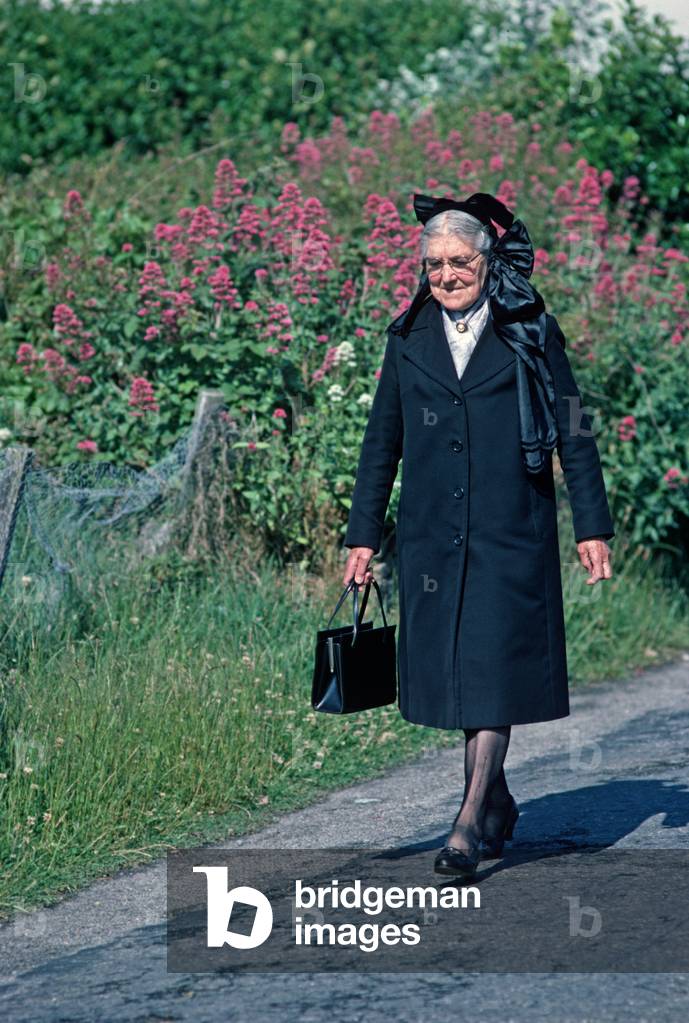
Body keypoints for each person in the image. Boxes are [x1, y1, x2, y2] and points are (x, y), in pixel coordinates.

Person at [341, 191, 614, 877]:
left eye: (458, 261)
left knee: (491, 668)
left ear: (486, 260)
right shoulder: (406, 340)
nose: (445, 276)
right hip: (434, 537)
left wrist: (591, 523)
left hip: (510, 530)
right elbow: (383, 441)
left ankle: (464, 825)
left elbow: (574, 425)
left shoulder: (528, 327)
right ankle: (495, 799)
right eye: (433, 265)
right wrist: (362, 536)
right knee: (461, 674)